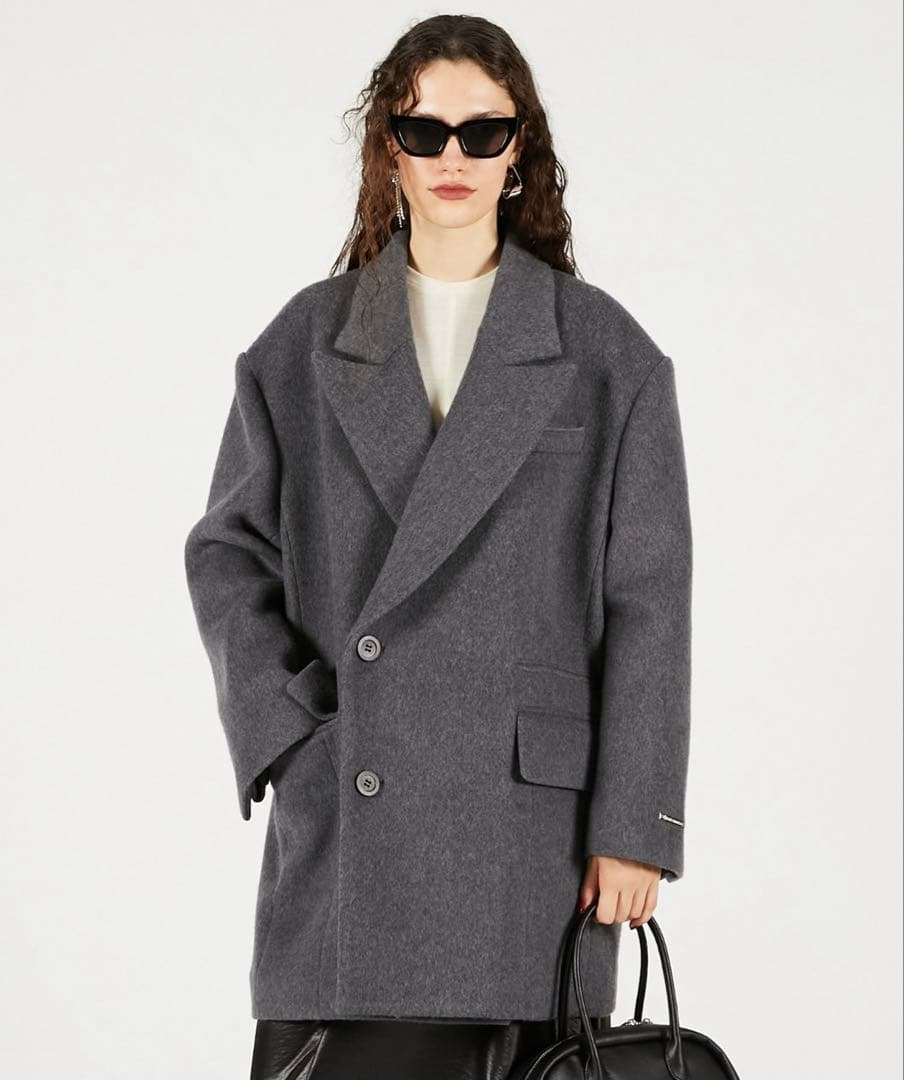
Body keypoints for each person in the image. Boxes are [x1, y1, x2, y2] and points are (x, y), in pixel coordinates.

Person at [184, 14, 692, 1080]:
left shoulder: (607, 354)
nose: (452, 157)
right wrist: (290, 732)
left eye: (481, 131)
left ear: (519, 149)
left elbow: (648, 596)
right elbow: (228, 551)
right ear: (390, 149)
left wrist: (636, 822)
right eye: (423, 132)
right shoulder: (301, 345)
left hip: (530, 831)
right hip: (351, 820)